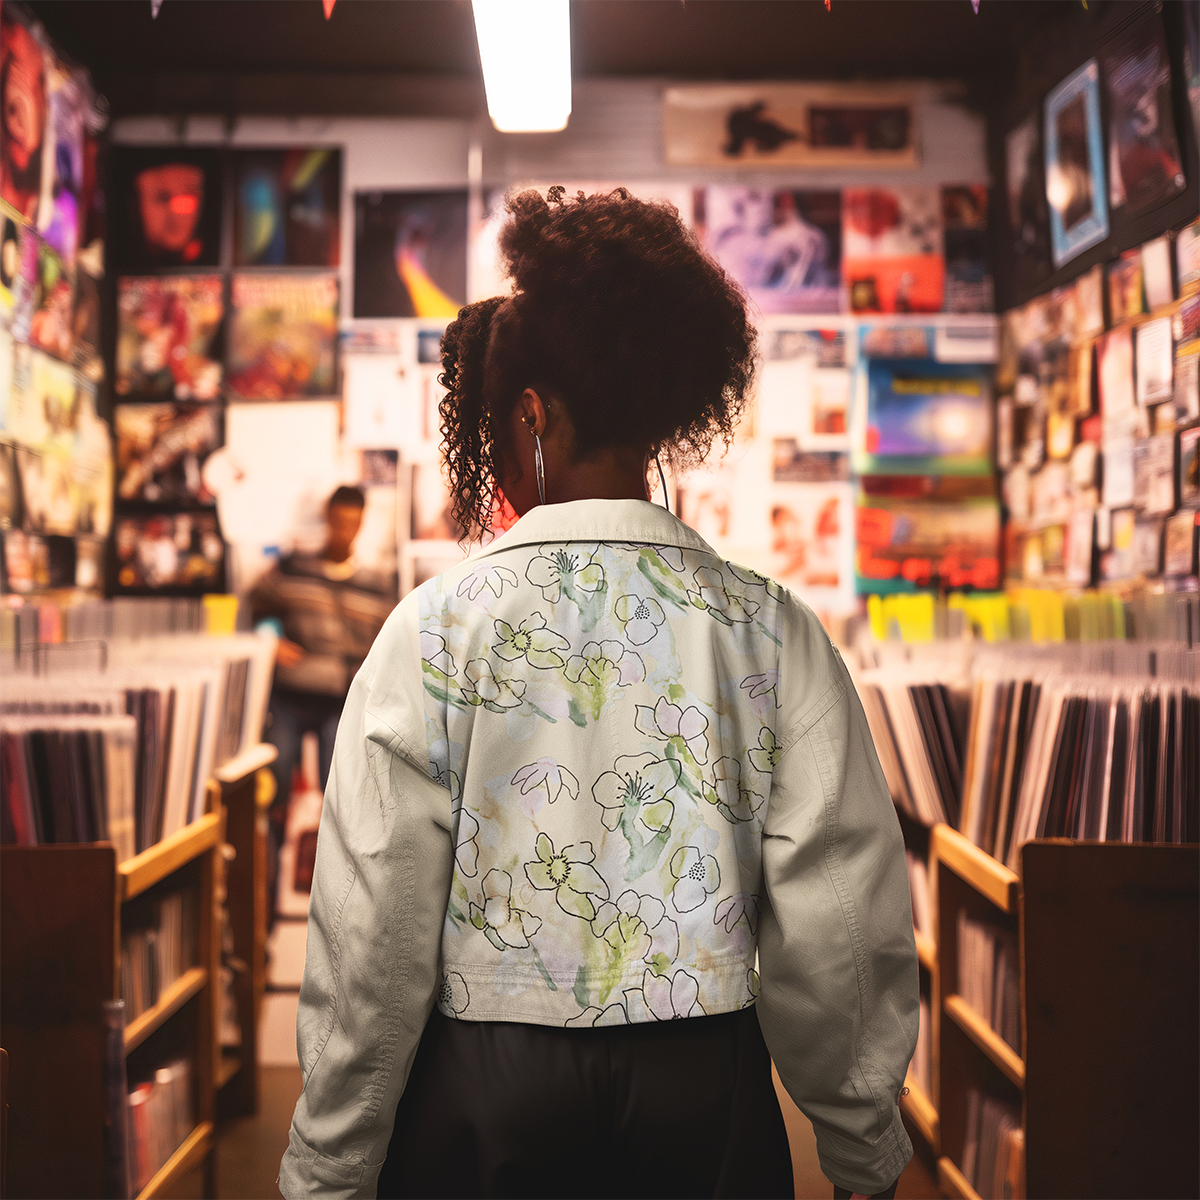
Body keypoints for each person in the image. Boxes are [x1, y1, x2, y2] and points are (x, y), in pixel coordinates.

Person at [278, 188, 917, 1200]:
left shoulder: (438, 629)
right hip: (704, 1087)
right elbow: (838, 910)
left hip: (487, 1086)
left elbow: (376, 927)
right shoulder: (768, 627)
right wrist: (861, 1140)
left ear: (531, 414)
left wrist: (331, 1159)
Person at [249, 485, 394, 924]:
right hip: (289, 698)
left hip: (341, 704)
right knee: (271, 803)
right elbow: (254, 604)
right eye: (338, 520)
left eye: (353, 523)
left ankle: (337, 922)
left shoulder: (378, 583)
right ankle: (264, 922)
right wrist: (271, 641)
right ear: (328, 518)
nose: (344, 530)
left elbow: (390, 643)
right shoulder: (294, 568)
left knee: (344, 809)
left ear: (361, 523)